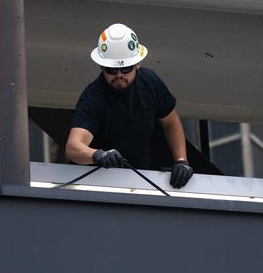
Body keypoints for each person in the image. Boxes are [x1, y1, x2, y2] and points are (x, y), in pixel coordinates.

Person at [65, 23, 193, 188]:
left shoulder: (150, 83)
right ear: (101, 66)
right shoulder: (93, 97)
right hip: (95, 184)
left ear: (137, 64)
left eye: (125, 68)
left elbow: (171, 122)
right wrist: (98, 155)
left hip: (140, 178)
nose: (119, 75)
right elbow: (73, 147)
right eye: (111, 69)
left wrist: (181, 161)